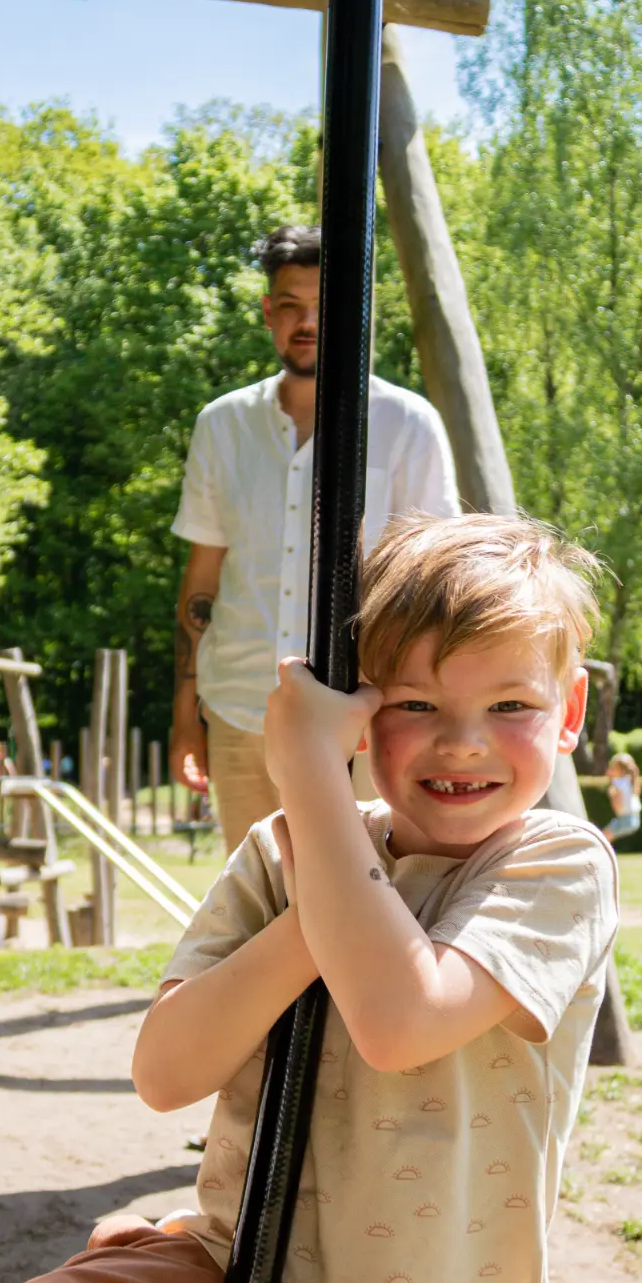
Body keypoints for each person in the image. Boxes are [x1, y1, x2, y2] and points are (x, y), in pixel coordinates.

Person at [0, 512, 617, 1283]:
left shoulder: (556, 865)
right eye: (415, 704)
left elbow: (400, 1018)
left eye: (509, 705)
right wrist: (313, 869)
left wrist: (316, 798)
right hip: (223, 1275)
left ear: (568, 713)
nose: (463, 741)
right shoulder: (285, 851)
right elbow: (166, 1072)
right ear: (354, 713)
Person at [169, 224, 461, 855]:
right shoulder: (221, 425)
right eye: (290, 306)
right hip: (239, 710)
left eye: (321, 306)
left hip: (367, 716)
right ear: (267, 312)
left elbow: (435, 582)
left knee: (368, 893)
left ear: (351, 312)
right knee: (257, 896)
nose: (306, 323)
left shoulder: (409, 425)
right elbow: (202, 580)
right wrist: (185, 715)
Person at [603, 750, 642, 840]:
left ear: (620, 770)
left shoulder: (619, 783)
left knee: (603, 837)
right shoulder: (630, 781)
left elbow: (618, 806)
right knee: (607, 837)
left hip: (624, 818)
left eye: (613, 768)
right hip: (635, 819)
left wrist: (612, 795)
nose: (610, 770)